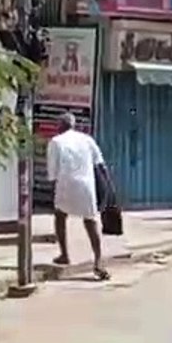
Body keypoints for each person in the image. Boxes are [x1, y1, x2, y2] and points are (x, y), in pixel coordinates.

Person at [47, 112, 111, 280]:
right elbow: (101, 165)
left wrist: (53, 190)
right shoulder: (87, 140)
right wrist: (107, 188)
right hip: (86, 185)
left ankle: (64, 254)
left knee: (60, 215)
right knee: (90, 220)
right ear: (73, 125)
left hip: (66, 185)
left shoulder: (55, 142)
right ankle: (98, 260)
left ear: (60, 126)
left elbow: (52, 174)